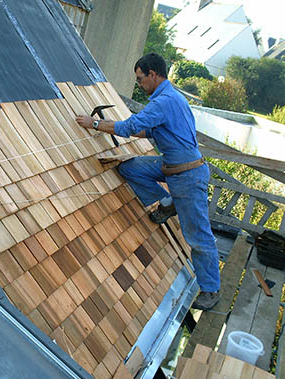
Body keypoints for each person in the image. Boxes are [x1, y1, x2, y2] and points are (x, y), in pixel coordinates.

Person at [76, 53, 220, 310]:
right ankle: (167, 203)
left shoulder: (163, 101)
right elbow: (149, 130)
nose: (140, 85)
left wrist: (95, 123)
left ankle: (210, 290)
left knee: (198, 236)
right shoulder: (174, 98)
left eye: (141, 79)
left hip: (187, 177)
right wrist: (113, 126)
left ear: (153, 74)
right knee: (131, 167)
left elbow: (130, 127)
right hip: (173, 167)